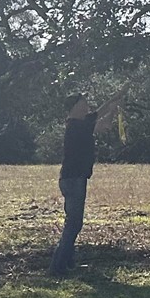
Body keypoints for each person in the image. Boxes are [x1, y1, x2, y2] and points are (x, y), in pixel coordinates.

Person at [49, 89, 124, 276]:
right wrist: (113, 105)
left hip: (74, 179)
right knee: (73, 224)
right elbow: (100, 120)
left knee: (73, 223)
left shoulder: (79, 124)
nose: (87, 106)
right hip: (73, 180)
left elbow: (101, 119)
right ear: (74, 107)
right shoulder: (76, 126)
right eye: (83, 103)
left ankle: (66, 263)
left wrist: (113, 104)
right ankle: (57, 267)